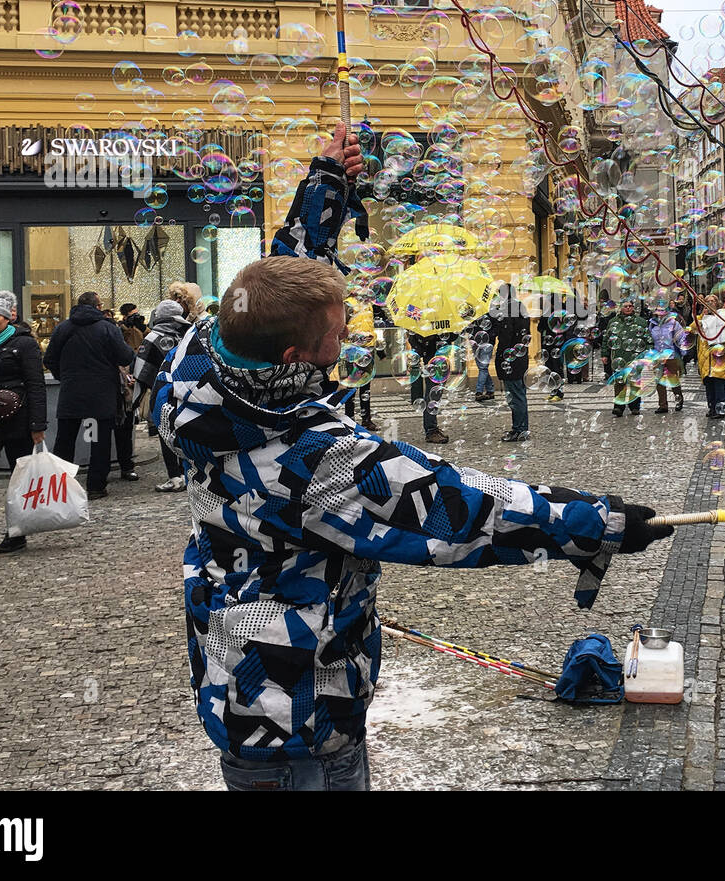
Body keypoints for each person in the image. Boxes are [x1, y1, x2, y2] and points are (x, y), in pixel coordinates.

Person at [158, 131, 671, 791]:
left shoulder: (199, 364)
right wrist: (590, 521)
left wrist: (325, 189)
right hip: (300, 719)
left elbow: (276, 281)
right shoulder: (311, 458)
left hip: (237, 676)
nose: (349, 345)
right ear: (294, 360)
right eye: (337, 339)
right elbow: (455, 509)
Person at [43, 290, 135, 500]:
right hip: (100, 394)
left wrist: (64, 376)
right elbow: (125, 355)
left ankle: (60, 486)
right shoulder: (107, 328)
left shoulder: (63, 328)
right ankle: (95, 485)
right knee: (98, 441)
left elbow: (49, 359)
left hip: (71, 392)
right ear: (98, 307)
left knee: (65, 441)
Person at [0, 295, 47, 550]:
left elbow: (36, 384)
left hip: (19, 420)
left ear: (7, 317)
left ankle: (16, 534)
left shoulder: (24, 344)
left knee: (19, 479)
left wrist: (38, 424)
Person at [133, 299, 192, 493]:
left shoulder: (152, 338)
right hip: (188, 394)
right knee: (185, 432)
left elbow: (141, 371)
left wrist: (137, 398)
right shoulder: (189, 335)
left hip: (163, 396)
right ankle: (188, 474)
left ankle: (174, 477)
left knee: (166, 434)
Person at [489, 281, 531, 441]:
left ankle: (519, 429)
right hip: (519, 358)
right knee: (519, 394)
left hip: (511, 361)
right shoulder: (521, 308)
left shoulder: (509, 311)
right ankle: (521, 428)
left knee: (515, 395)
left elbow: (506, 338)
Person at [337, 295, 383, 430]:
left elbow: (372, 327)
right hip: (350, 351)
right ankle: (349, 419)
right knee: (351, 386)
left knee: (365, 387)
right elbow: (340, 328)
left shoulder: (369, 305)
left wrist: (380, 350)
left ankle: (366, 419)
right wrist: (356, 338)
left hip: (368, 349)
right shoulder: (348, 303)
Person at [603, 298, 652, 417]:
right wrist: (604, 354)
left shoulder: (641, 322)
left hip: (636, 356)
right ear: (621, 308)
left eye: (630, 306)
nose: (628, 308)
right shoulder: (613, 322)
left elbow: (648, 339)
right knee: (619, 382)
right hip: (618, 356)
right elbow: (606, 339)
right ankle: (618, 406)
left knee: (635, 382)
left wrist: (648, 354)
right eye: (626, 306)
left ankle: (635, 406)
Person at [690, 294, 725, 419]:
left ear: (717, 303)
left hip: (718, 356)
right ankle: (711, 408)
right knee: (709, 384)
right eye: (708, 301)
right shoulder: (702, 318)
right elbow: (693, 328)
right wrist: (702, 316)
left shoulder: (722, 317)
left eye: (713, 301)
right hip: (705, 358)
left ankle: (720, 410)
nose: (710, 303)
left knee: (719, 383)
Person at [408, 331, 456, 445]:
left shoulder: (444, 319)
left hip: (442, 358)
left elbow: (453, 336)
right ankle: (431, 430)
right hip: (430, 360)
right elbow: (413, 340)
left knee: (436, 395)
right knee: (432, 395)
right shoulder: (421, 320)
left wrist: (447, 333)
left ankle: (432, 428)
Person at [648, 303, 688, 414]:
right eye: (658, 310)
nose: (660, 313)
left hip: (671, 355)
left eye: (663, 310)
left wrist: (683, 351)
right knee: (659, 381)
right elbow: (649, 340)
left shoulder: (673, 323)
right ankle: (663, 405)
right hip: (657, 356)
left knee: (673, 379)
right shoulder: (652, 324)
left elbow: (681, 337)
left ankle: (679, 399)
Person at [540, 292, 577, 403]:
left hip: (557, 344)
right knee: (550, 369)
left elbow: (568, 328)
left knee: (557, 369)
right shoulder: (547, 313)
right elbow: (539, 327)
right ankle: (552, 391)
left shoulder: (563, 313)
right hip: (548, 344)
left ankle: (559, 393)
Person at [468, 309, 495, 403]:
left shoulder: (490, 311)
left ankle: (479, 392)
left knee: (483, 368)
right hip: (475, 342)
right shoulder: (472, 310)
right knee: (482, 367)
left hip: (487, 343)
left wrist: (491, 337)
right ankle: (490, 391)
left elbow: (494, 326)